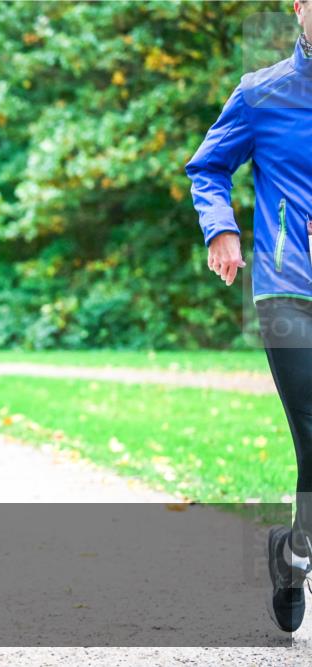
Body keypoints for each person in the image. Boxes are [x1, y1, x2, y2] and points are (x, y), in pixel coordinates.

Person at [185, 0, 312, 633]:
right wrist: (221, 229)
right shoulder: (262, 93)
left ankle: (293, 552)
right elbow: (208, 167)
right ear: (298, 8)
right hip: (289, 287)